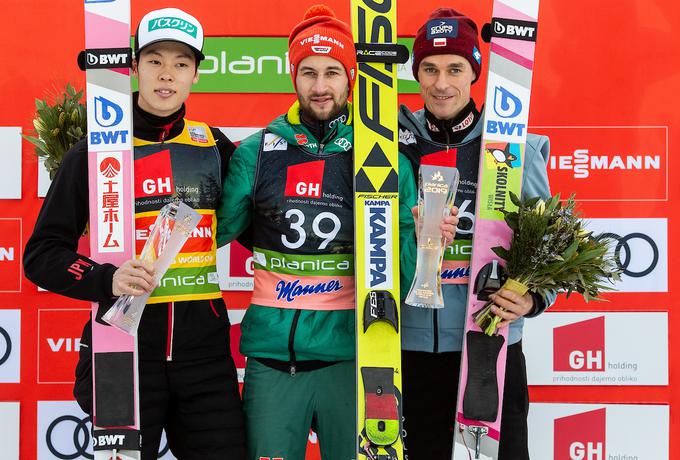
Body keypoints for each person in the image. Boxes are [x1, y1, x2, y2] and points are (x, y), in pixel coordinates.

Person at [216, 5, 456, 460]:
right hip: (272, 359)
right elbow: (209, 235)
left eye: (332, 72)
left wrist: (426, 244)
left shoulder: (382, 155)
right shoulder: (258, 151)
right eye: (308, 72)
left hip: (357, 355)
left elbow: (402, 278)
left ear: (351, 78)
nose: (320, 87)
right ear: (293, 75)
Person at [23, 8, 246, 460]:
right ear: (134, 68)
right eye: (155, 61)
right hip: (121, 347)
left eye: (181, 64)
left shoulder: (215, 146)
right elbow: (41, 254)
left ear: (197, 74)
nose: (167, 75)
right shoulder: (95, 150)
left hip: (203, 353)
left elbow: (261, 226)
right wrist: (105, 279)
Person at [397, 8, 554, 460]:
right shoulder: (389, 144)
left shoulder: (515, 146)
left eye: (454, 68)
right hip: (405, 349)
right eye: (429, 68)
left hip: (489, 349)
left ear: (475, 72)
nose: (441, 83)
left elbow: (548, 249)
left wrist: (533, 299)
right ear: (416, 72)